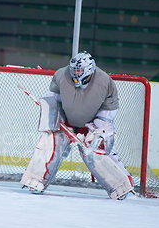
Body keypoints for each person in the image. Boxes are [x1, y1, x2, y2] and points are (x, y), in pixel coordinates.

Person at [20, 51, 133, 199]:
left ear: (89, 69)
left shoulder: (105, 82)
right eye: (74, 69)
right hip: (67, 120)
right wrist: (56, 118)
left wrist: (96, 130)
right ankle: (36, 180)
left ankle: (122, 186)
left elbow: (108, 114)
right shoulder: (61, 75)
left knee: (99, 148)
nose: (75, 73)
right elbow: (53, 100)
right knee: (51, 142)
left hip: (93, 123)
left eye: (79, 70)